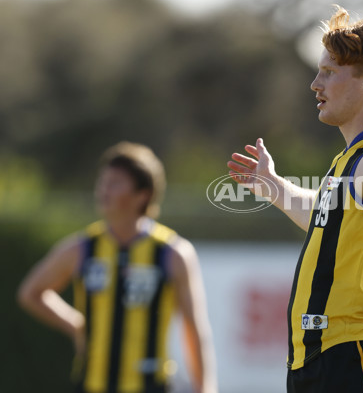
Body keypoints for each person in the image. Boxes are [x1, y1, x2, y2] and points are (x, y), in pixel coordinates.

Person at [227, 5, 363, 393]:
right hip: (319, 356)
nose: (316, 84)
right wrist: (272, 184)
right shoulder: (353, 156)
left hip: (352, 352)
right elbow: (322, 215)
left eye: (329, 72)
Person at [18, 142, 218, 393]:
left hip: (150, 385)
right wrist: (74, 324)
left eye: (115, 183)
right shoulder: (82, 248)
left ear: (142, 194)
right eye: (102, 182)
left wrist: (206, 388)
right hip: (93, 383)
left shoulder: (172, 252)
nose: (103, 190)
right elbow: (31, 293)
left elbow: (194, 326)